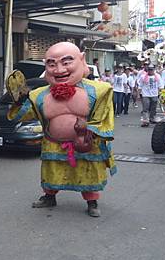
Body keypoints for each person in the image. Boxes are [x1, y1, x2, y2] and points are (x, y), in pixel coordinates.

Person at [7, 42, 116, 218]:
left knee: (88, 173)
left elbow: (105, 117)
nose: (58, 70)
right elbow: (24, 114)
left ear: (81, 60)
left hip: (86, 142)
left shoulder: (100, 90)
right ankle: (49, 197)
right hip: (53, 143)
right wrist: (20, 100)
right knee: (51, 171)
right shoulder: (38, 95)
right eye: (51, 64)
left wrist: (88, 128)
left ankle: (92, 201)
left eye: (66, 62)